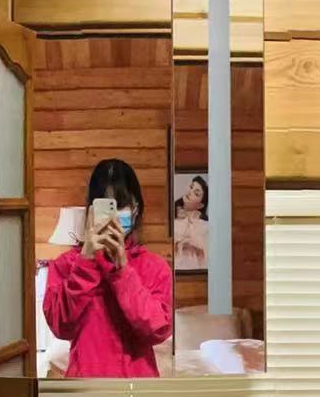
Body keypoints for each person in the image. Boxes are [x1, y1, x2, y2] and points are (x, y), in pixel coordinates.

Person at [41, 159, 174, 378]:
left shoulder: (155, 267)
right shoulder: (66, 264)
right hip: (86, 388)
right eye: (106, 206)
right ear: (91, 210)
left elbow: (157, 330)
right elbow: (60, 327)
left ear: (136, 209)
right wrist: (86, 261)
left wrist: (123, 270)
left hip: (138, 389)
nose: (114, 216)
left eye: (121, 205)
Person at [173, 174, 210, 272]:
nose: (190, 192)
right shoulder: (171, 218)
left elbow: (208, 258)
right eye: (191, 187)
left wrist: (194, 245)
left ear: (200, 205)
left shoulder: (205, 226)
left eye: (196, 193)